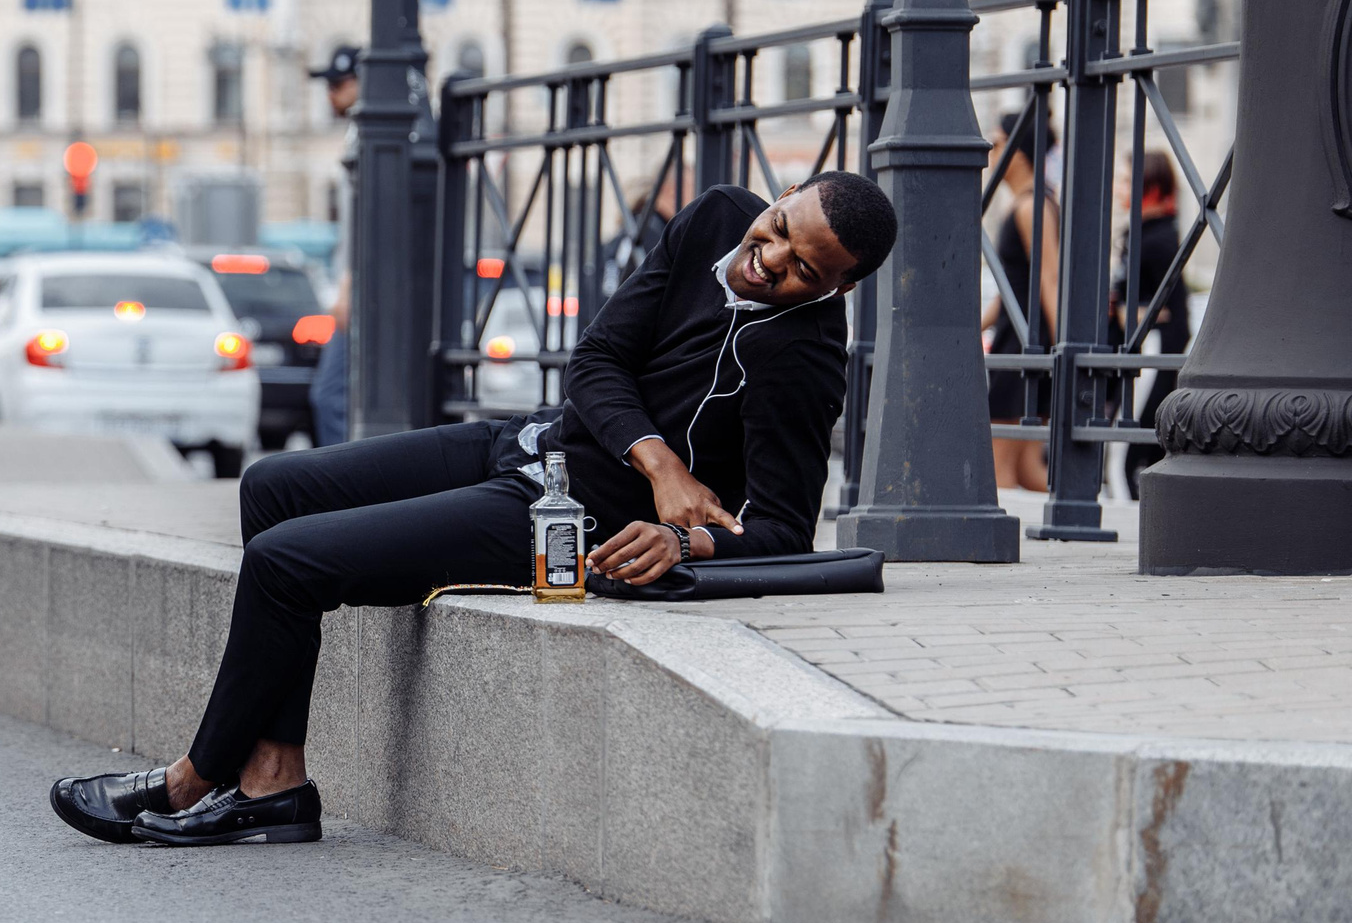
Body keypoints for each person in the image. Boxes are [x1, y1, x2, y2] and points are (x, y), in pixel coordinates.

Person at [50, 172, 899, 847]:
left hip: (564, 522)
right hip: (529, 442)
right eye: (778, 228)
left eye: (804, 268)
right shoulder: (716, 217)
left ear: (841, 286)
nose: (770, 259)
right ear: (782, 195)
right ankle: (273, 779)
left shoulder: (804, 357)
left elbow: (784, 531)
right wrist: (663, 463)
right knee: (273, 487)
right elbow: (598, 359)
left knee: (284, 562)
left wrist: (684, 543)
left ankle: (193, 778)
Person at [981, 111, 1060, 494]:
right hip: (1021, 338)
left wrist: (1063, 350)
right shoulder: (1028, 204)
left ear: (1020, 151)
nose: (990, 151)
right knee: (1028, 470)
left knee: (999, 471)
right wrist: (977, 327)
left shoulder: (1031, 207)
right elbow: (1013, 289)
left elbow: (1049, 278)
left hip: (1024, 345)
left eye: (997, 142)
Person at [1115, 149, 1190, 500]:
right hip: (1138, 353)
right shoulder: (1142, 234)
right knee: (1123, 450)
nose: (1119, 189)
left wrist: (1128, 311)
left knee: (1127, 452)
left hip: (1152, 353)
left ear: (1152, 187)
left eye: (1127, 181)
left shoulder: (1159, 239)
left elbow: (1171, 312)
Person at [305, 45, 360, 447]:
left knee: (330, 396)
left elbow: (364, 221)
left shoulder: (370, 133)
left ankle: (343, 476)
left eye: (338, 84)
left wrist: (347, 285)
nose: (330, 94)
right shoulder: (357, 132)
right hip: (359, 286)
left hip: (360, 291)